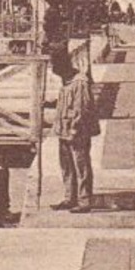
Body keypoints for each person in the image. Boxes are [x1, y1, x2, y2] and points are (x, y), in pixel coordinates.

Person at [51, 45, 98, 213]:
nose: (54, 71)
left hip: (77, 131)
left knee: (81, 165)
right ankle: (69, 197)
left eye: (56, 67)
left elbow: (82, 108)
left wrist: (74, 130)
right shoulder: (65, 81)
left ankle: (85, 200)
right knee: (66, 166)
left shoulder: (80, 82)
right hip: (63, 130)